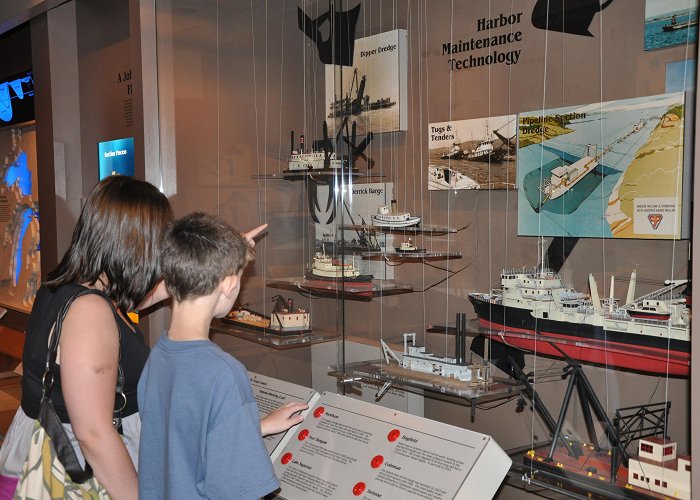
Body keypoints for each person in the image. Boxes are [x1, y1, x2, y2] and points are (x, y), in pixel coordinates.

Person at [0, 176, 266, 499]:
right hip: (81, 477)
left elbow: (151, 292)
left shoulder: (69, 288)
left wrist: (221, 257)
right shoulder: (90, 313)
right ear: (135, 241)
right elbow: (94, 435)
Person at [137, 212, 307, 499]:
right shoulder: (223, 372)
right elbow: (237, 489)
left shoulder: (158, 355)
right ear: (228, 284)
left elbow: (186, 439)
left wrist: (256, 426)